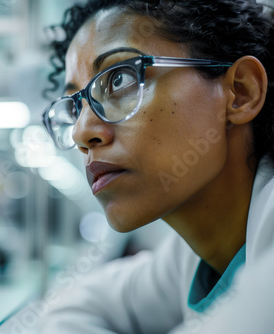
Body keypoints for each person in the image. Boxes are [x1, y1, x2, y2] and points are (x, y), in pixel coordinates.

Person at [39, 0, 274, 333]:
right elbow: (73, 305)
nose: (81, 132)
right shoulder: (192, 256)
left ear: (240, 92)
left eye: (119, 80)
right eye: (75, 107)